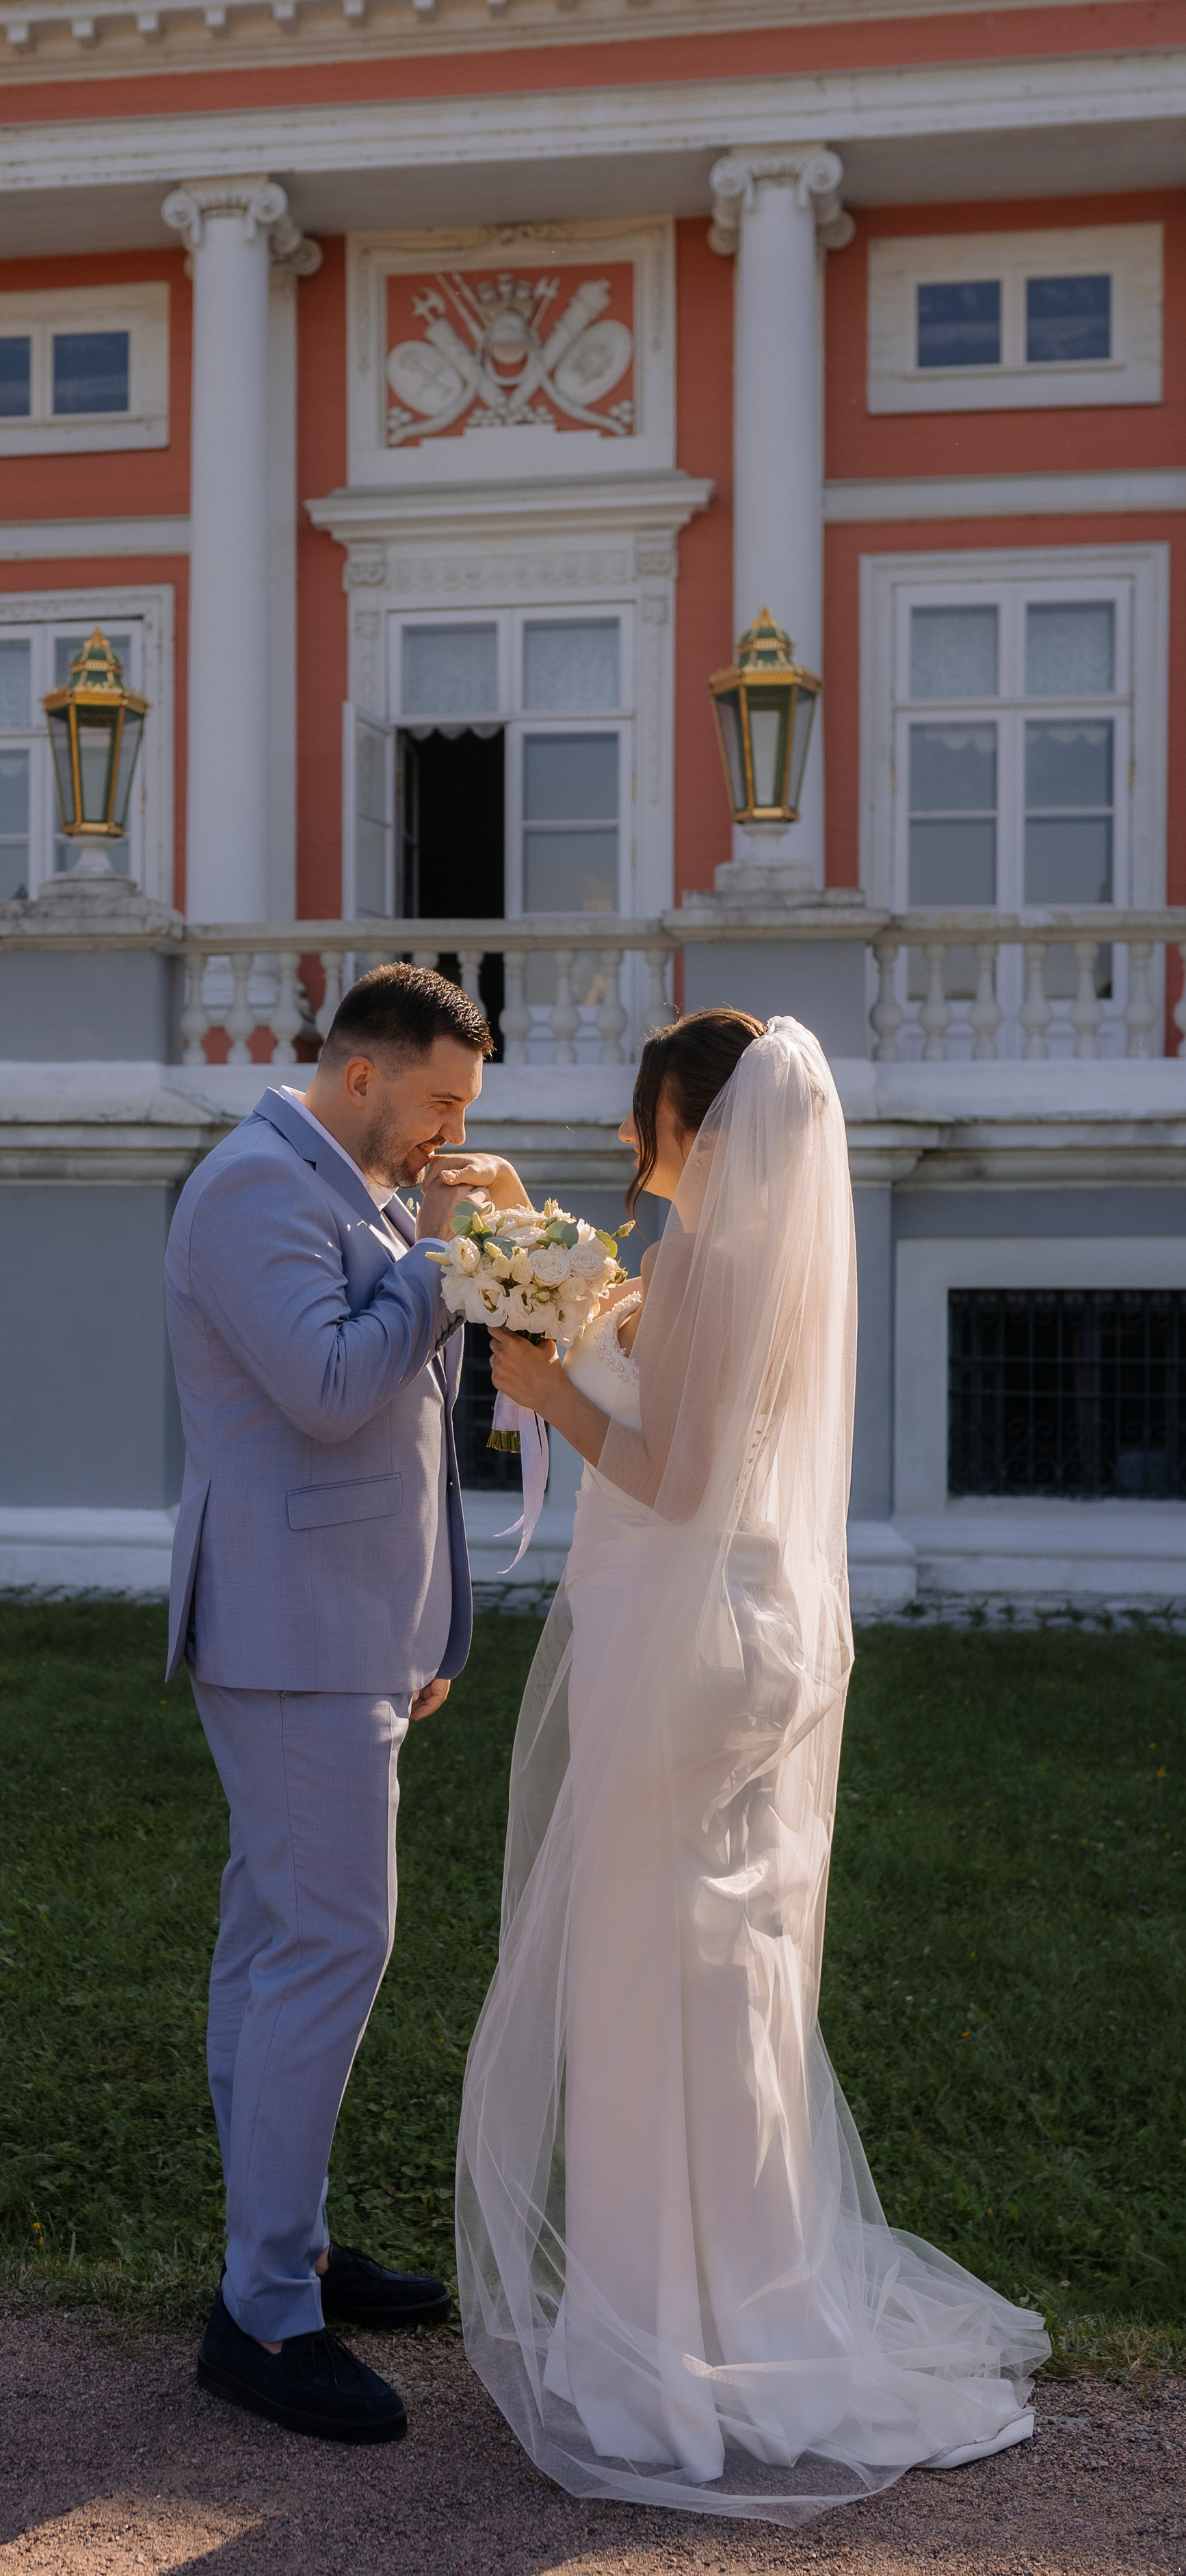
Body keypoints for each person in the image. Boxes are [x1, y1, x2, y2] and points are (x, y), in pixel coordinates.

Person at [456, 1008, 1049, 2522]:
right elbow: (646, 1345)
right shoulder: (749, 1264)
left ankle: (657, 2346)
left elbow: (672, 1468)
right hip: (746, 1642)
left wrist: (542, 1403)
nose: (623, 1140)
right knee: (722, 1973)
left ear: (695, 1126)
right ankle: (735, 2308)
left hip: (683, 1647)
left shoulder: (715, 1260)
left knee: (648, 1973)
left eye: (640, 1115)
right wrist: (525, 1228)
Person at [165, 962, 527, 2445]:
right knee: (326, 1946)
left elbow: (404, 1427)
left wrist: (426, 1615)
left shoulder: (354, 1191)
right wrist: (442, 1264)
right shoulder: (256, 1188)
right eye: (440, 1101)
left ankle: (290, 2247)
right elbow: (326, 1390)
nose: (449, 1133)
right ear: (362, 1075)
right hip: (288, 1631)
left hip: (340, 1625)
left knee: (277, 1942)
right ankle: (262, 2315)